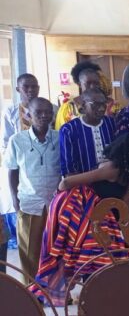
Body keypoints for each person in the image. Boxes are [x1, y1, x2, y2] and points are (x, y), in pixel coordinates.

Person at [38, 133, 129, 305]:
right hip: (82, 211)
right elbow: (66, 183)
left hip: (103, 215)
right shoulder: (112, 168)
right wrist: (62, 204)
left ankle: (96, 295)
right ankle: (87, 296)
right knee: (90, 253)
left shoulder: (128, 172)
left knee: (108, 253)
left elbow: (125, 208)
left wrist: (128, 231)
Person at [4, 98, 59, 284]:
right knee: (29, 250)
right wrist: (15, 199)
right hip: (29, 202)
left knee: (55, 248)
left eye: (48, 112)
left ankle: (56, 291)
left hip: (55, 203)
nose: (44, 116)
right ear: (28, 115)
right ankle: (32, 290)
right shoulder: (17, 140)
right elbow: (12, 171)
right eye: (38, 112)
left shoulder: (60, 138)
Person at [59, 88, 117, 176]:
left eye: (104, 104)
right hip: (83, 184)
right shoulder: (68, 130)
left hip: (112, 181)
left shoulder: (112, 123)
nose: (102, 108)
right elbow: (68, 169)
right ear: (83, 105)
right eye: (96, 104)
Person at [55, 61, 119, 129]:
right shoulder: (68, 108)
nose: (92, 86)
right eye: (88, 83)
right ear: (79, 84)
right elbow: (61, 133)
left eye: (96, 83)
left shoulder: (112, 106)